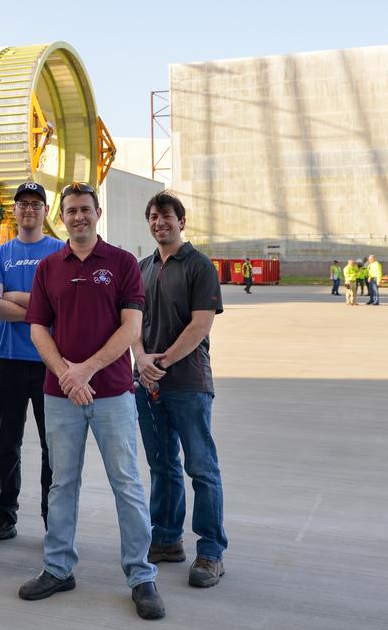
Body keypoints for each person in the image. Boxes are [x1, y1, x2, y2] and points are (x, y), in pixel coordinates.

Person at [18, 182, 165, 621]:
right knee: (63, 483)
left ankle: (141, 576)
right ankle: (58, 567)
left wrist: (86, 371)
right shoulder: (49, 267)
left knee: (127, 484)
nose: (78, 216)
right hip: (61, 395)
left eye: (85, 209)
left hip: (114, 393)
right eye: (71, 210)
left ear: (97, 213)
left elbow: (130, 329)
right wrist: (67, 373)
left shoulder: (121, 263)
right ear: (60, 217)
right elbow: (38, 328)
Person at [134, 192, 227, 588]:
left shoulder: (199, 265)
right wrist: (140, 360)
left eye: (167, 216)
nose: (160, 223)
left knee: (201, 467)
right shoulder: (142, 268)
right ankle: (168, 539)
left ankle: (210, 551)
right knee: (162, 466)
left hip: (188, 383)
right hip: (148, 385)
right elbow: (130, 323)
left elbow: (200, 325)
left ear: (181, 221)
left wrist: (161, 362)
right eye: (153, 217)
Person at [0, 182, 63, 544]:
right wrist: (37, 306)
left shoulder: (60, 252)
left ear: (46, 211)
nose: (28, 209)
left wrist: (14, 296)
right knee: (6, 445)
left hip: (50, 363)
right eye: (22, 203)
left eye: (36, 203)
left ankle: (53, 518)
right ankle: (2, 516)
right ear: (13, 211)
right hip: (10, 362)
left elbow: (61, 307)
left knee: (53, 448)